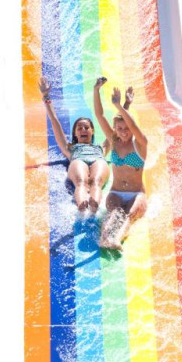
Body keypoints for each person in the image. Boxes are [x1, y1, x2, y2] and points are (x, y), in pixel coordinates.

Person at [39, 76, 110, 214]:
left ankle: (94, 206)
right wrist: (46, 96)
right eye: (79, 128)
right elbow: (54, 121)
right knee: (81, 182)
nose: (83, 130)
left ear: (92, 131)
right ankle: (82, 207)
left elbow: (113, 130)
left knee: (96, 181)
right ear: (75, 134)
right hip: (78, 160)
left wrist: (96, 90)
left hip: (98, 159)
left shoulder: (102, 147)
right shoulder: (69, 148)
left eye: (86, 127)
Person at [94, 79, 148, 251]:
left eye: (127, 129)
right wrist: (96, 90)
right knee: (114, 212)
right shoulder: (114, 142)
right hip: (116, 191)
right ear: (115, 129)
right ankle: (104, 239)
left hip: (136, 193)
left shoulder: (140, 144)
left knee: (129, 214)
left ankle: (116, 240)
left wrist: (119, 106)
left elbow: (132, 124)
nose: (124, 132)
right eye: (120, 129)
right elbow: (100, 116)